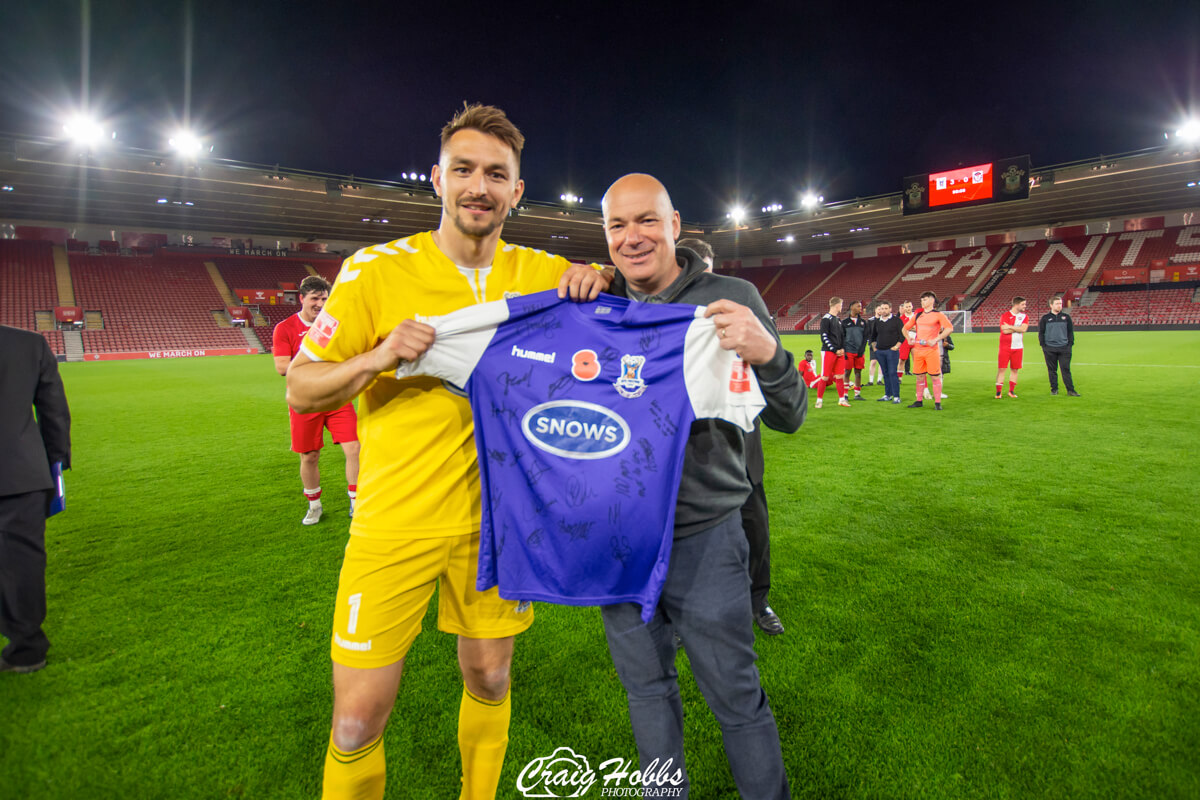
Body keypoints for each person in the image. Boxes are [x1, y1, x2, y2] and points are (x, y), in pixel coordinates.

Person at [285, 104, 608, 800]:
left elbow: (613, 318)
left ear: (517, 192)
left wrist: (594, 279)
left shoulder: (544, 272)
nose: (479, 186)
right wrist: (376, 356)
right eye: (464, 170)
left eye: (497, 174)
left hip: (500, 527)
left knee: (490, 676)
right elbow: (304, 387)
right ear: (437, 178)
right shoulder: (375, 271)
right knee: (355, 720)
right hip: (393, 522)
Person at [599, 173, 804, 799]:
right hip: (619, 540)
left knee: (735, 695)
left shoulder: (730, 294)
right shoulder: (593, 302)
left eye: (646, 221)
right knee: (646, 691)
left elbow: (790, 414)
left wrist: (768, 352)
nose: (632, 238)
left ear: (675, 224)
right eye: (616, 225)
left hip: (706, 535)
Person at [678, 236, 783, 635]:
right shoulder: (660, 305)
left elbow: (773, 356)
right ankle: (678, 613)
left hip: (738, 438)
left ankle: (759, 601)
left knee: (754, 523)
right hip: (682, 440)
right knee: (680, 535)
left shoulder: (739, 299)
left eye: (708, 272)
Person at [0, 325, 71, 674]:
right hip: (21, 473)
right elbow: (53, 410)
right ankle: (27, 648)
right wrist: (55, 466)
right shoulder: (29, 344)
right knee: (22, 561)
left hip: (21, 474)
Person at [273, 275, 360, 525]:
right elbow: (281, 367)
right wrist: (320, 367)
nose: (321, 304)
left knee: (354, 447)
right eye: (315, 298)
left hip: (335, 397)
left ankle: (356, 502)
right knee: (309, 456)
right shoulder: (285, 328)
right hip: (305, 399)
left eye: (324, 298)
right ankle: (314, 504)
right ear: (302, 298)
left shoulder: (334, 324)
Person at [902, 291, 953, 411]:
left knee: (935, 376)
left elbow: (949, 328)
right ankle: (919, 400)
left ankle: (937, 403)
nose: (922, 302)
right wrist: (909, 338)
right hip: (919, 350)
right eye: (921, 300)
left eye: (925, 299)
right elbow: (904, 328)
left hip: (931, 350)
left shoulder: (938, 315)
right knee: (919, 376)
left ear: (931, 301)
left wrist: (937, 339)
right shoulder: (918, 315)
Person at [1039, 295, 1080, 396]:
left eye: (1061, 304)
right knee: (1052, 370)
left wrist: (1069, 344)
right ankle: (1054, 389)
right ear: (1051, 305)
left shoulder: (1066, 317)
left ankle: (1070, 390)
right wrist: (1044, 346)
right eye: (1057, 304)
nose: (1059, 305)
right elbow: (1041, 333)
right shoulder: (1045, 318)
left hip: (1064, 348)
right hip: (1049, 348)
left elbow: (1070, 332)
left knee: (1066, 369)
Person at [815, 296, 850, 408]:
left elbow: (842, 336)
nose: (842, 307)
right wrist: (834, 349)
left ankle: (842, 399)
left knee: (840, 376)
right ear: (837, 305)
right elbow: (824, 337)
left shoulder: (838, 320)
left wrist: (843, 348)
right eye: (841, 305)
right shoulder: (826, 319)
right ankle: (819, 400)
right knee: (825, 377)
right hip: (829, 352)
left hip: (839, 352)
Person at [868, 300, 903, 403]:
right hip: (880, 352)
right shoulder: (877, 322)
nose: (883, 310)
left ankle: (896, 396)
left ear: (890, 309)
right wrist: (875, 348)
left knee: (892, 373)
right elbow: (873, 336)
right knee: (886, 373)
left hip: (892, 351)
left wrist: (896, 346)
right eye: (882, 308)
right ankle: (888, 394)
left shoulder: (897, 321)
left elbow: (902, 336)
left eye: (886, 308)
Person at [996, 296, 1029, 399]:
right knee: (1002, 369)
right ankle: (998, 393)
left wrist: (1010, 326)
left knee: (1015, 369)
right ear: (1016, 304)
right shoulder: (1005, 315)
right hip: (1005, 347)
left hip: (1018, 347)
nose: (1025, 306)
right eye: (1023, 304)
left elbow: (1024, 329)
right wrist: (1017, 328)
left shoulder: (1024, 316)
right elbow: (1004, 331)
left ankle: (1011, 391)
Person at [842, 300, 868, 399]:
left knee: (858, 372)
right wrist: (844, 349)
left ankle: (857, 394)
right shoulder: (844, 322)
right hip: (848, 351)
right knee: (847, 372)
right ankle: (845, 394)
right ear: (851, 307)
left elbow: (865, 337)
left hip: (859, 352)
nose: (860, 308)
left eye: (860, 306)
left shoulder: (863, 322)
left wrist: (862, 349)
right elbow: (842, 337)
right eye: (858, 306)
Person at [897, 299, 915, 384]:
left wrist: (907, 328)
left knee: (917, 360)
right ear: (904, 308)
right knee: (902, 360)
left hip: (916, 340)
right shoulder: (901, 318)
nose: (908, 308)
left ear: (912, 306)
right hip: (905, 341)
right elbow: (901, 330)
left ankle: (920, 378)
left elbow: (920, 328)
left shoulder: (917, 316)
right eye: (906, 307)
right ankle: (899, 378)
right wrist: (912, 328)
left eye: (909, 306)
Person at [864, 306, 881, 386]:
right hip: (873, 343)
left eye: (882, 309)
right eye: (879, 309)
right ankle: (871, 381)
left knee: (881, 362)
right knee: (873, 362)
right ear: (875, 310)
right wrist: (870, 342)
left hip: (883, 343)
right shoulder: (870, 320)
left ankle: (879, 380)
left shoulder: (884, 320)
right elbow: (868, 333)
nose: (880, 310)